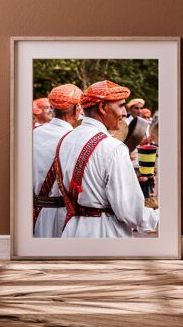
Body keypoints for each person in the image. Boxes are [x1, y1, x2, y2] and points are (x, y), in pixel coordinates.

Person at [55, 80, 159, 238]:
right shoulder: (113, 147)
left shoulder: (65, 140)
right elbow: (131, 212)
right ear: (103, 107)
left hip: (71, 231)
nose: (124, 113)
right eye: (121, 106)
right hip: (104, 233)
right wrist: (161, 217)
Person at [33, 84, 82, 237]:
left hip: (34, 212)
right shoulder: (78, 140)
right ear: (77, 109)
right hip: (65, 215)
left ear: (53, 109)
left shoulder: (33, 134)